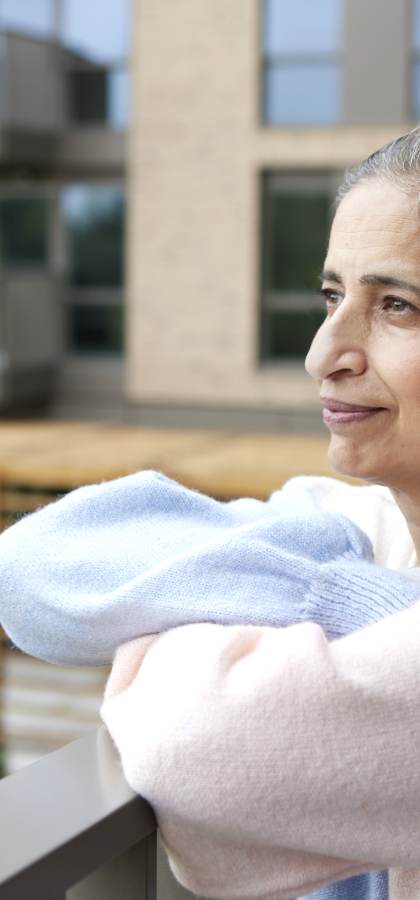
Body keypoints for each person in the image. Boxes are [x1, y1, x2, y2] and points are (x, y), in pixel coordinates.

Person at [3, 126, 420, 900]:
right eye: (333, 296)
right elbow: (38, 567)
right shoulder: (364, 530)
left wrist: (202, 623)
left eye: (397, 306)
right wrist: (356, 605)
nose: (324, 354)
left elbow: (188, 747)